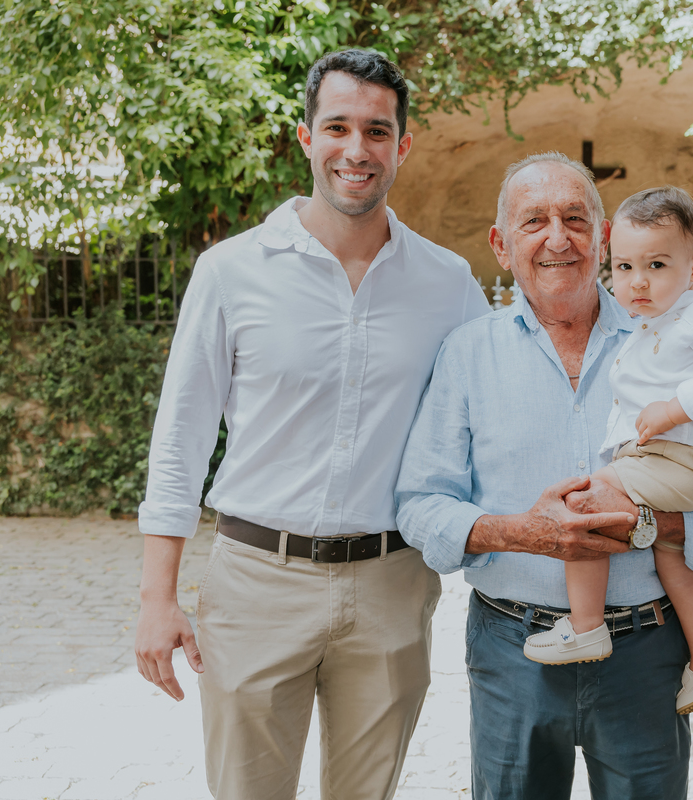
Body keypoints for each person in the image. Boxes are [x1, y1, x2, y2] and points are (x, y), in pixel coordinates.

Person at [133, 49, 491, 800]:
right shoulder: (232, 271)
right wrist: (156, 598)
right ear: (305, 137)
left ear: (403, 144)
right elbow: (181, 437)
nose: (356, 150)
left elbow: (489, 424)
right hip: (257, 580)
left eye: (377, 130)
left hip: (394, 583)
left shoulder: (448, 284)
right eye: (337, 127)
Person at [395, 153, 693, 800]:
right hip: (513, 650)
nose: (558, 237)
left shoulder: (676, 339)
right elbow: (420, 505)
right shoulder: (467, 353)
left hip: (646, 650)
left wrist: (651, 524)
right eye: (534, 220)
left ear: (603, 236)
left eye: (575, 219)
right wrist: (525, 532)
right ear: (501, 247)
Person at [522, 186, 693, 718]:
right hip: (668, 458)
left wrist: (673, 409)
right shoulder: (650, 324)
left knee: (586, 503)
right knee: (671, 559)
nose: (638, 281)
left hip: (687, 457)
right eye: (625, 266)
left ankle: (586, 628)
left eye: (656, 264)